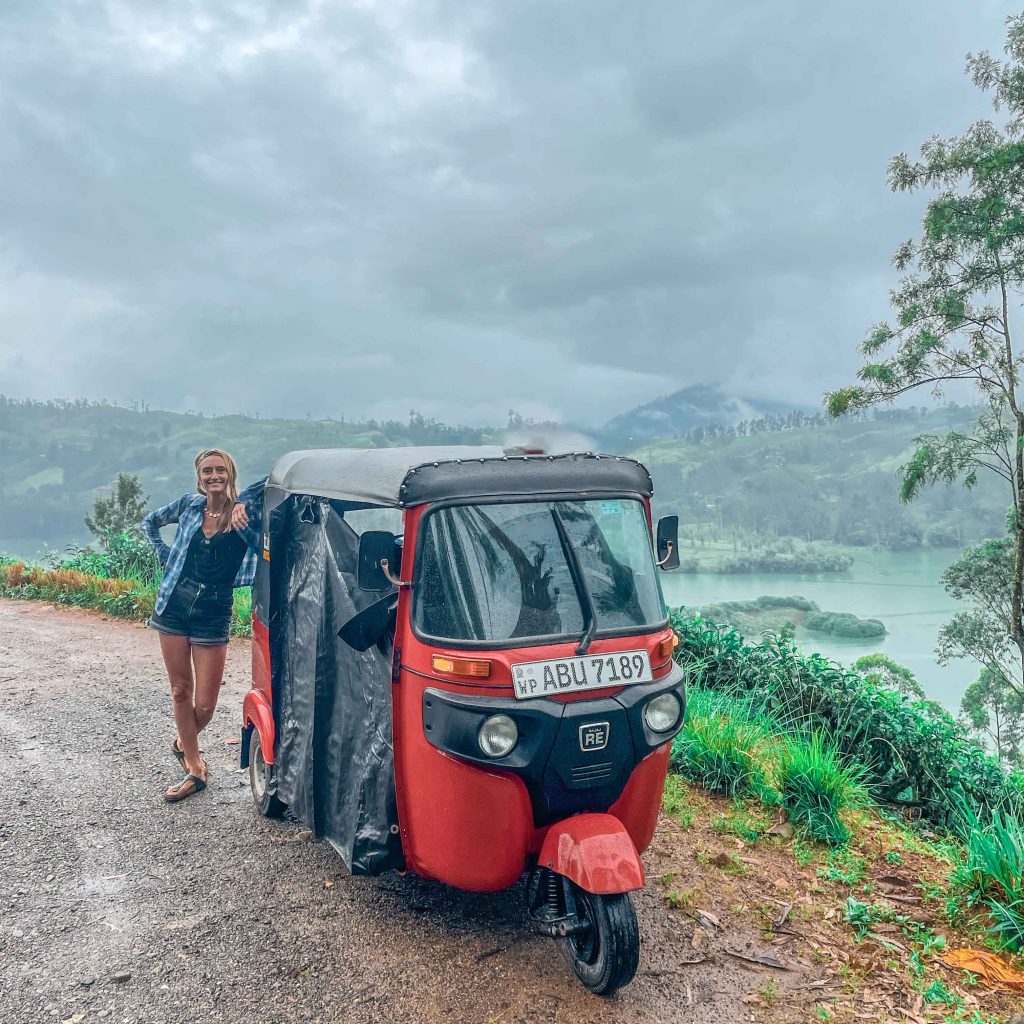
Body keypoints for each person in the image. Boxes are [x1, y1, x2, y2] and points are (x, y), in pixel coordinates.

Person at [141, 449, 265, 803]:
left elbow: (272, 482)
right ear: (199, 477)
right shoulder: (189, 506)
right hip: (175, 605)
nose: (214, 476)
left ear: (230, 473)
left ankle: (183, 743)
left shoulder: (245, 513)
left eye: (220, 470)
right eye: (207, 471)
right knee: (180, 690)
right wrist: (165, 556)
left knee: (206, 704)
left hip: (214, 608)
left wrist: (243, 501)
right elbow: (149, 522)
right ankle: (195, 768)